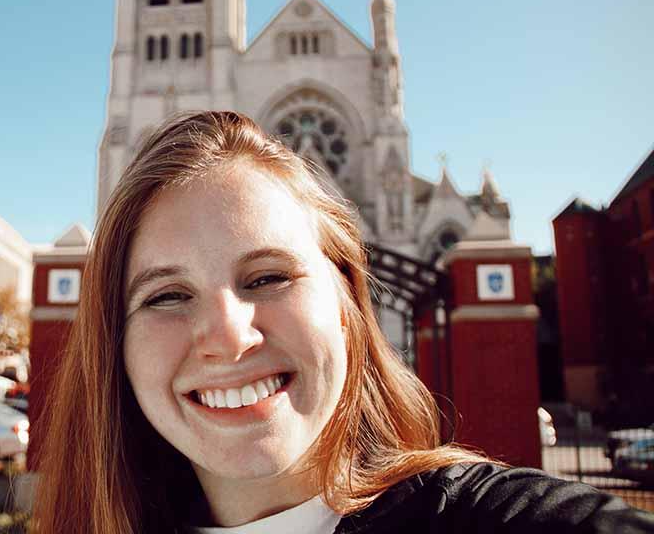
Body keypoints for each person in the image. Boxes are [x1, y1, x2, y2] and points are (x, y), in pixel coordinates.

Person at [33, 112, 654, 533]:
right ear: (115, 344)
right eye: (166, 295)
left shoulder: (481, 518)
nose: (226, 335)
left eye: (269, 277)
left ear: (349, 303)